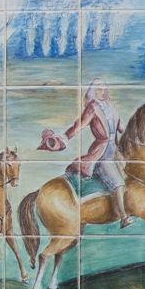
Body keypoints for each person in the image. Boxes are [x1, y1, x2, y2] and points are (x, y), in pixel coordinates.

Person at [45, 79, 129, 226]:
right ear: (93, 92)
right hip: (102, 153)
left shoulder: (111, 107)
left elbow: (121, 128)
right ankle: (123, 217)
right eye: (99, 90)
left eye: (104, 89)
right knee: (118, 183)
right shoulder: (92, 108)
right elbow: (79, 125)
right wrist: (64, 138)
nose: (103, 92)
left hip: (115, 151)